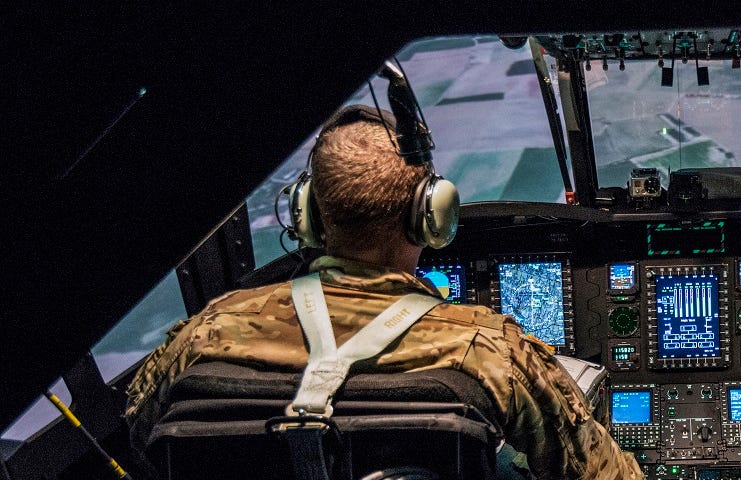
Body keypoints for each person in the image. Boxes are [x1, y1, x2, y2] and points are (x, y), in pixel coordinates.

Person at [123, 106, 643, 480]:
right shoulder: (488, 353)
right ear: (431, 218)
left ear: (306, 215)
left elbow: (143, 444)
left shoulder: (205, 334)